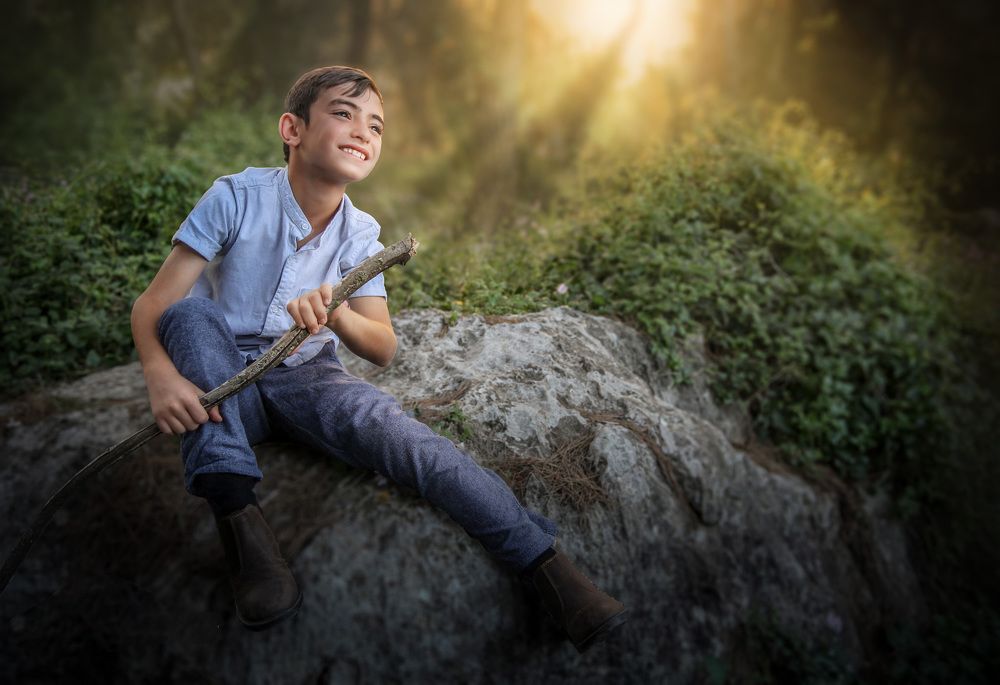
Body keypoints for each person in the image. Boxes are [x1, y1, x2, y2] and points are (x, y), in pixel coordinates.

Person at [130, 66, 627, 651]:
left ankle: (547, 568)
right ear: (292, 128)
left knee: (398, 433)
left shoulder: (360, 234)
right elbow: (154, 306)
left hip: (306, 376)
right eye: (343, 113)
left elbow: (383, 347)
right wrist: (163, 378)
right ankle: (242, 527)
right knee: (190, 315)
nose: (362, 131)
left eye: (376, 125)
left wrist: (337, 311)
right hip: (224, 375)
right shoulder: (236, 196)